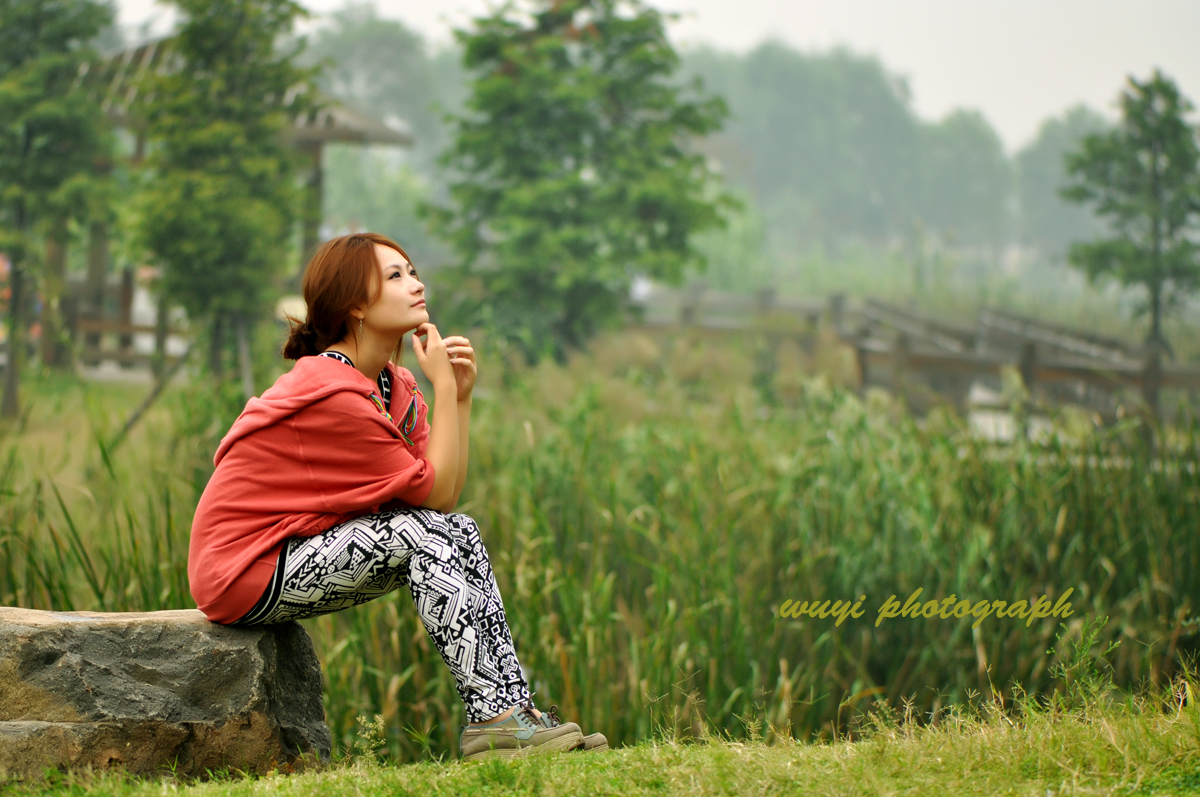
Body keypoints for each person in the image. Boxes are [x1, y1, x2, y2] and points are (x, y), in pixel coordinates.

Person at [187, 232, 606, 761]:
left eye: (412, 271)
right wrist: (447, 393)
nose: (417, 283)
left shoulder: (391, 385)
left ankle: (512, 717)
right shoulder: (332, 394)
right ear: (355, 306)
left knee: (460, 532)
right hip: (244, 570)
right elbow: (433, 498)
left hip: (297, 549)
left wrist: (458, 396)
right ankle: (496, 722)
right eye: (396, 276)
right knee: (425, 533)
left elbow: (445, 493)